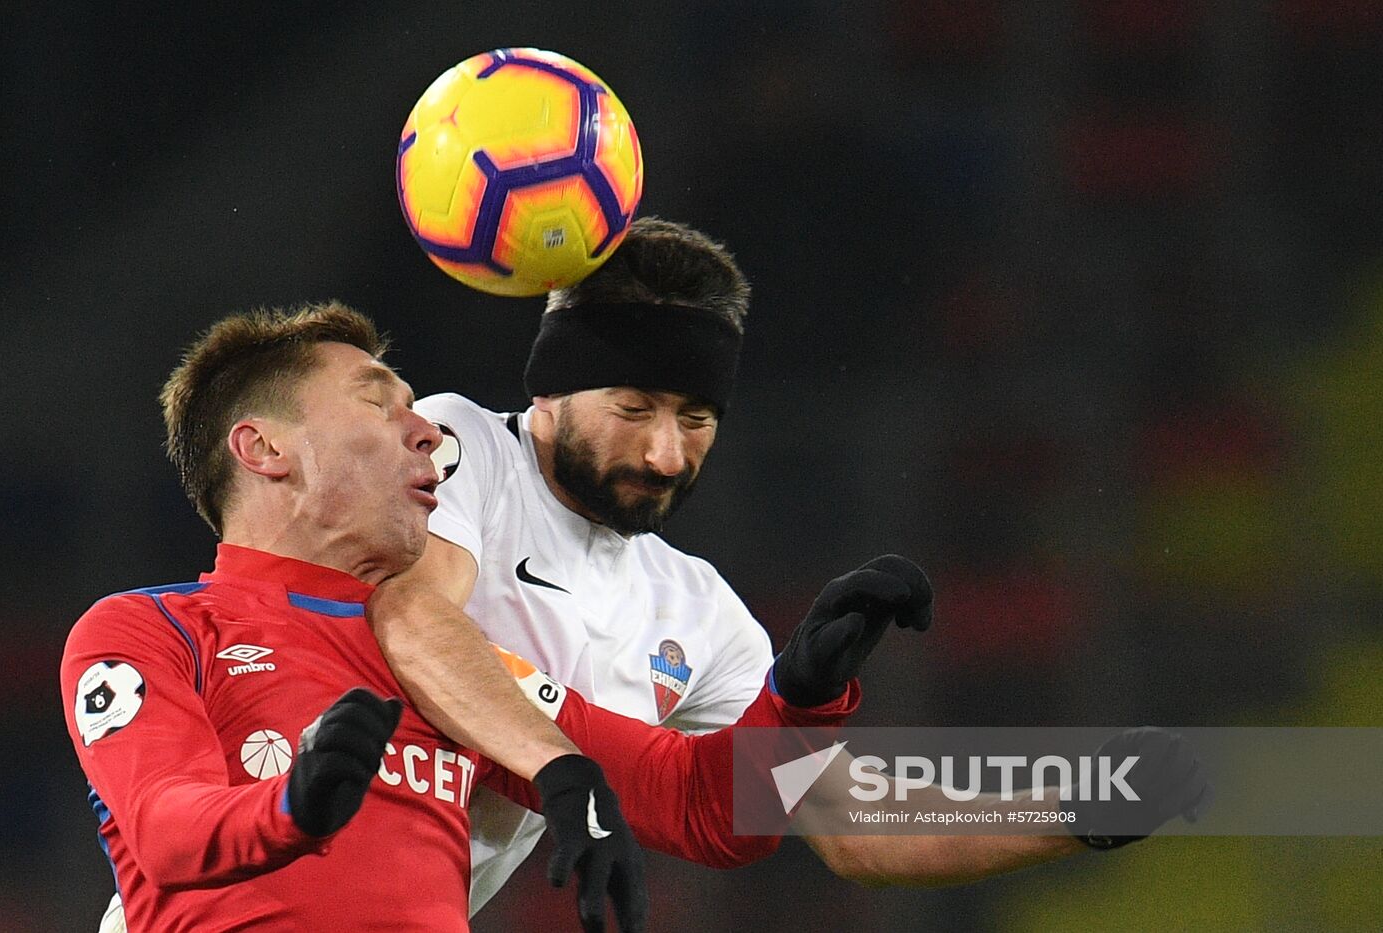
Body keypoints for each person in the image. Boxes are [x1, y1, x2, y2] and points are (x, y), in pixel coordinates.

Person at [367, 217, 1211, 913]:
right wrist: (568, 772)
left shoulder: (697, 613)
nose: (666, 454)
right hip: (261, 869)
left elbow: (855, 823)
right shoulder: (458, 446)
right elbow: (417, 622)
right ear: (550, 388)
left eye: (697, 418)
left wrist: (1073, 809)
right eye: (634, 409)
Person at [64, 302, 924, 932]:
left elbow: (696, 800)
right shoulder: (148, 630)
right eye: (379, 403)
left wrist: (801, 698)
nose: (426, 432)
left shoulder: (451, 668)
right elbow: (165, 828)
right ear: (264, 448)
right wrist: (291, 806)